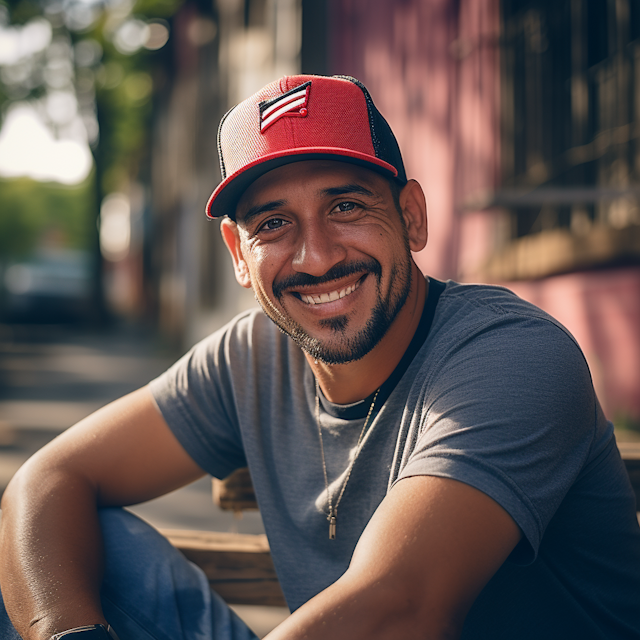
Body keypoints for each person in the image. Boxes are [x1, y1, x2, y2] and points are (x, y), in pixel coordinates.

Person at [1, 74, 639, 640]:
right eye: (273, 224)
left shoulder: (513, 356)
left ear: (412, 216)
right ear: (238, 254)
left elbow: (402, 607)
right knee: (60, 547)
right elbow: (48, 479)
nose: (317, 256)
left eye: (347, 206)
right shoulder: (252, 359)